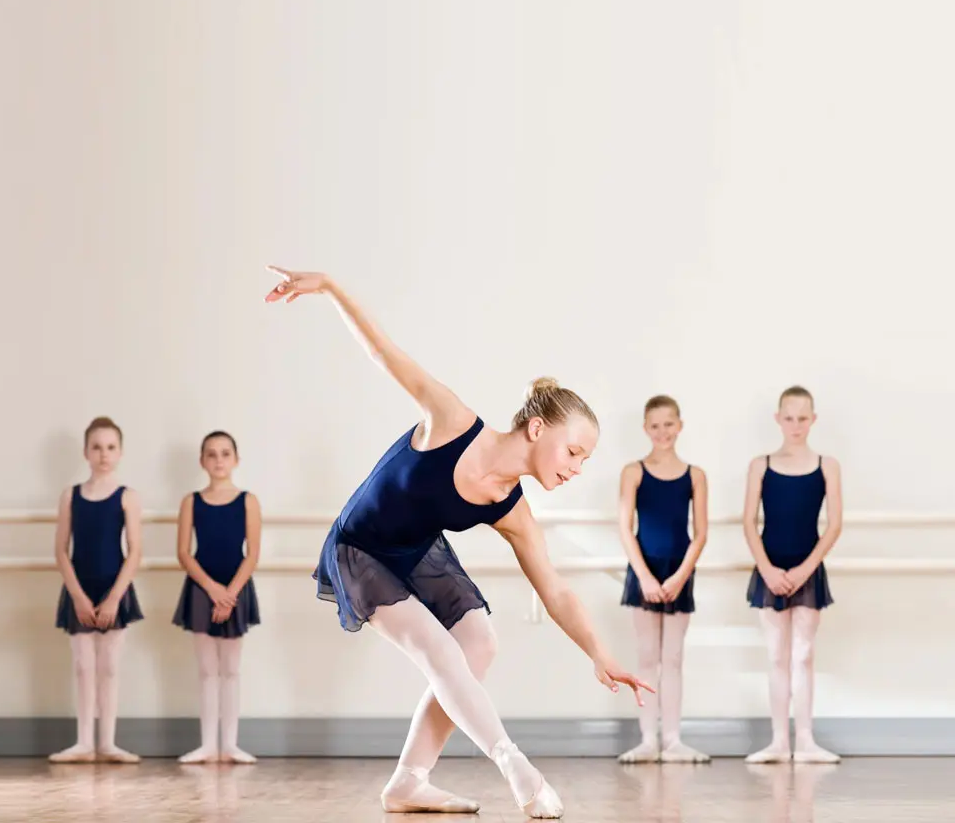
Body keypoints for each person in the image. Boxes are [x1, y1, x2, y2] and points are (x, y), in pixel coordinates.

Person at [266, 266, 650, 819]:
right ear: (538, 429)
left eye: (586, 461)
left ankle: (408, 781)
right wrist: (329, 287)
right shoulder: (454, 422)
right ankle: (518, 768)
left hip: (416, 550)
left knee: (480, 643)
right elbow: (382, 351)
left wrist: (600, 654)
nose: (578, 468)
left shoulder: (512, 511)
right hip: (360, 548)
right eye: (574, 452)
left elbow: (556, 592)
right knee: (439, 651)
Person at [742, 386, 843, 764]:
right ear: (778, 419)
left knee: (803, 655)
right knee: (776, 656)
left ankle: (805, 740)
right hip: (769, 568)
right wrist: (768, 569)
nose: (796, 425)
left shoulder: (827, 465)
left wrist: (804, 569)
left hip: (808, 567)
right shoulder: (761, 464)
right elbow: (749, 523)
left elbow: (833, 525)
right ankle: (778, 742)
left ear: (813, 420)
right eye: (790, 418)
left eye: (803, 418)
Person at [615, 394, 711, 763]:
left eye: (669, 424)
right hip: (644, 568)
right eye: (655, 426)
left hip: (679, 569)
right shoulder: (633, 472)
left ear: (680, 425)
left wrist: (679, 577)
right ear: (645, 429)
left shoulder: (696, 476)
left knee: (673, 658)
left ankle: (672, 740)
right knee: (646, 657)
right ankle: (647, 740)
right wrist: (645, 577)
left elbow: (700, 533)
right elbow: (625, 528)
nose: (662, 432)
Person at [48, 416, 144, 764]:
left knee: (110, 667)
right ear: (86, 452)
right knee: (82, 666)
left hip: (114, 589)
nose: (104, 454)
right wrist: (77, 595)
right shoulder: (70, 496)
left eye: (111, 447)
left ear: (119, 452)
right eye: (97, 447)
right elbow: (61, 549)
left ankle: (108, 742)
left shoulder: (127, 497)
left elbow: (134, 550)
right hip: (79, 588)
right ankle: (84, 742)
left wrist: (115, 597)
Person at [172, 429, 264, 764]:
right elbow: (184, 552)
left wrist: (230, 593)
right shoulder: (191, 502)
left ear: (236, 460)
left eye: (225, 453)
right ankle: (208, 744)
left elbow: (252, 553)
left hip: (236, 589)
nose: (218, 460)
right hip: (201, 589)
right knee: (207, 670)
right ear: (202, 461)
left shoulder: (248, 501)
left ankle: (230, 744)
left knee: (231, 670)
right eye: (211, 454)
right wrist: (212, 590)